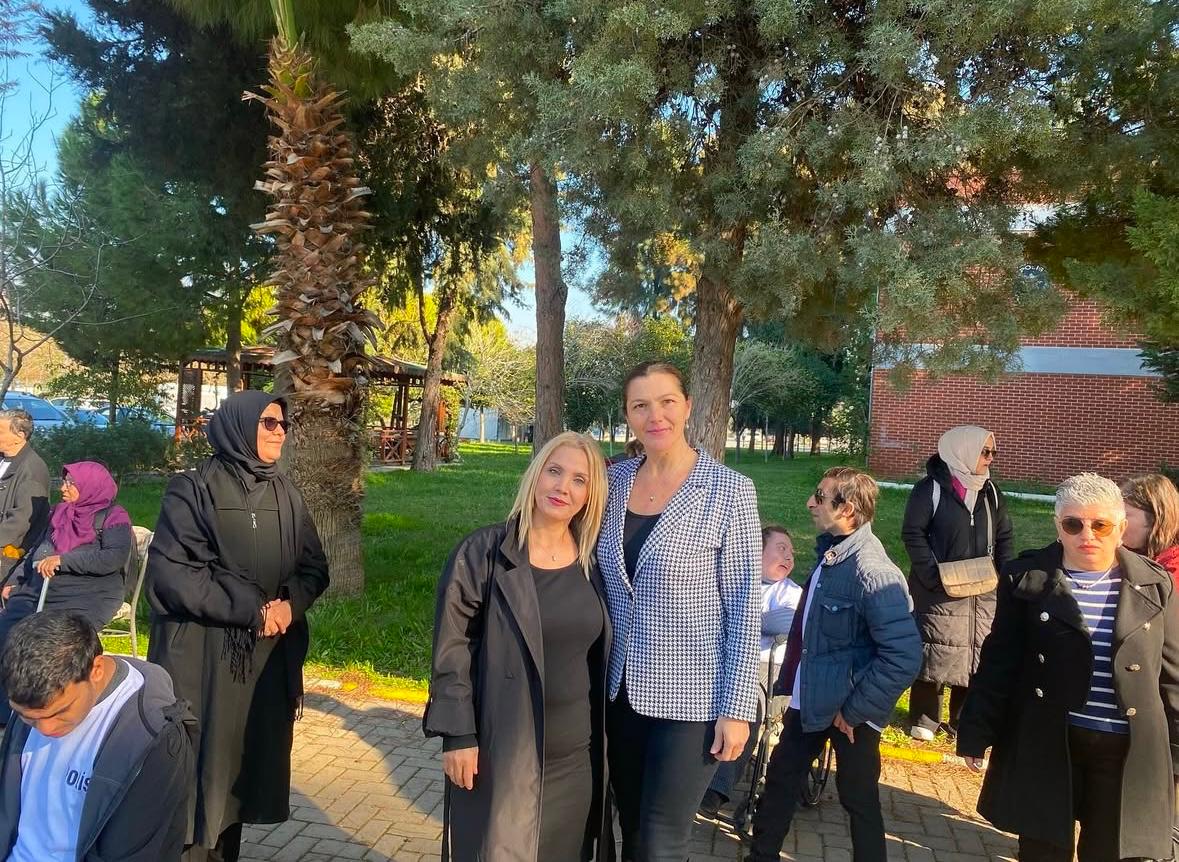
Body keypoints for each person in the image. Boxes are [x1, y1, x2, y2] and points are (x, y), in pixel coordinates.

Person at [146, 390, 330, 862]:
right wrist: (253, 610)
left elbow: (314, 567)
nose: (280, 432)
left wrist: (289, 605)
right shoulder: (192, 489)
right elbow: (173, 575)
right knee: (196, 783)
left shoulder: (286, 493)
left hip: (262, 666)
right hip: (203, 662)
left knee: (237, 783)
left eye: (283, 424)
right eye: (269, 423)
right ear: (239, 426)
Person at [956, 472, 1179, 861]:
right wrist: (976, 731)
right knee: (1043, 850)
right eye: (1073, 524)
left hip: (1125, 750)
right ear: (1058, 526)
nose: (1087, 535)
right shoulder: (1027, 579)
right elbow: (999, 662)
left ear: (1120, 527)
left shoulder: (1156, 585)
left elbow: (1172, 675)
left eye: (1100, 525)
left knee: (1111, 852)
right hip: (1048, 740)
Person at [597, 361, 761, 862]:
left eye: (667, 401)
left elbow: (744, 607)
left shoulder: (729, 491)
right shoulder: (612, 483)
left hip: (692, 701)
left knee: (661, 840)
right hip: (619, 693)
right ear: (628, 415)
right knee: (630, 827)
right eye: (640, 405)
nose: (655, 415)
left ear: (687, 406)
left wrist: (736, 709)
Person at [425, 431, 611, 861]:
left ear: (590, 495)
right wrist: (458, 735)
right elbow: (452, 649)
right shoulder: (483, 553)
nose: (563, 487)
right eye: (554, 471)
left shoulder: (594, 561)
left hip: (575, 761)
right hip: (503, 756)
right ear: (535, 475)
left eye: (579, 480)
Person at [750, 467, 922, 862]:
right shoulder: (832, 554)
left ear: (847, 510)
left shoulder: (872, 571)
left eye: (821, 497)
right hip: (812, 700)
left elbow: (904, 655)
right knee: (781, 781)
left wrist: (856, 710)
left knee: (858, 798)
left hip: (850, 712)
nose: (810, 503)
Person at [0, 610, 196, 861]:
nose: (45, 729)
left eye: (60, 712)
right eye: (28, 717)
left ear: (97, 670)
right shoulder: (29, 695)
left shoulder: (154, 738)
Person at [901, 426, 1014, 740]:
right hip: (938, 588)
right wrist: (932, 576)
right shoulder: (929, 489)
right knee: (934, 647)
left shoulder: (991, 492)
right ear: (962, 450)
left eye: (993, 452)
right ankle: (925, 718)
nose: (990, 459)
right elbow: (913, 533)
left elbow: (1004, 536)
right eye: (984, 452)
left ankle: (962, 719)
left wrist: (1004, 574)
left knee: (975, 650)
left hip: (982, 588)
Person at [0, 461, 134, 724]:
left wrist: (64, 560)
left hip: (89, 594)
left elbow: (113, 558)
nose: (63, 487)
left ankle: (54, 708)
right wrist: (14, 580)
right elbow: (36, 550)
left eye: (71, 483)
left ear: (90, 486)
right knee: (5, 631)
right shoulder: (58, 513)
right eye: (64, 481)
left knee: (54, 643)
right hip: (41, 589)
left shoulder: (113, 516)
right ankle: (10, 712)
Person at [699, 524, 802, 817]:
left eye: (791, 552)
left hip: (769, 672)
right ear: (756, 551)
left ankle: (716, 789)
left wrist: (738, 617)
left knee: (746, 710)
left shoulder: (793, 593)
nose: (789, 556)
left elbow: (789, 622)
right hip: (723, 665)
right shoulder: (733, 584)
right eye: (781, 548)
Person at [0, 408, 50, 583]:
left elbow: (21, 520)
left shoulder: (32, 469)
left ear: (19, 436)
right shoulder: (4, 459)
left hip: (9, 552)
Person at [1121, 473, 1179, 583]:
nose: (1117, 521)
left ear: (1154, 517)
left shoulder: (1172, 569)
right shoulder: (1124, 556)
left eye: (1125, 514)